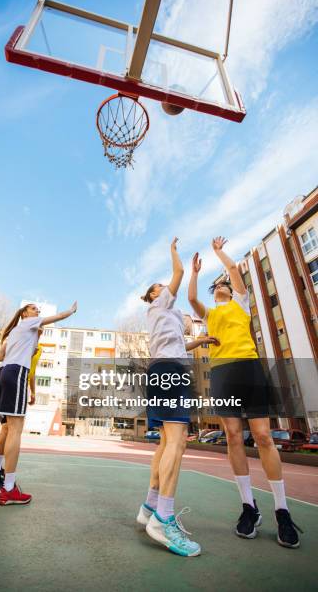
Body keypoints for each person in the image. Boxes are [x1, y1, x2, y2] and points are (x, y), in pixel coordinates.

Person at [188, 237, 302, 549]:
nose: (222, 285)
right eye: (219, 285)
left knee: (263, 437)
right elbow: (192, 298)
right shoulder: (210, 314)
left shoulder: (241, 302)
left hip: (249, 368)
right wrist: (195, 272)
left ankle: (282, 511)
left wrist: (218, 253)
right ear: (215, 294)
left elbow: (235, 269)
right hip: (223, 374)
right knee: (234, 437)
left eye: (225, 283)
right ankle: (249, 508)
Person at [137, 237, 218, 557]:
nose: (165, 286)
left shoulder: (164, 317)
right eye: (160, 285)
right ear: (154, 295)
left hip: (164, 368)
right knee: (178, 442)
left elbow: (181, 343)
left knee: (167, 442)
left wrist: (202, 340)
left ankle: (150, 506)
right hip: (168, 372)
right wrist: (173, 252)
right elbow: (180, 271)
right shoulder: (160, 303)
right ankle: (163, 518)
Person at [0, 301, 77, 505]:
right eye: (34, 308)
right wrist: (70, 311)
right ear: (25, 313)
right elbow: (59, 317)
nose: (38, 311)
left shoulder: (16, 332)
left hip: (0, 373)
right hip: (16, 372)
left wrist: (33, 339)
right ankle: (9, 488)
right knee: (15, 429)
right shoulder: (29, 323)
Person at [0, 341, 42, 494]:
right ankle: (3, 480)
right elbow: (4, 358)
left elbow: (32, 372)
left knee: (6, 428)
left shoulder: (38, 348)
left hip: (19, 381)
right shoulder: (22, 339)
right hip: (12, 379)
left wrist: (33, 391)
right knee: (9, 429)